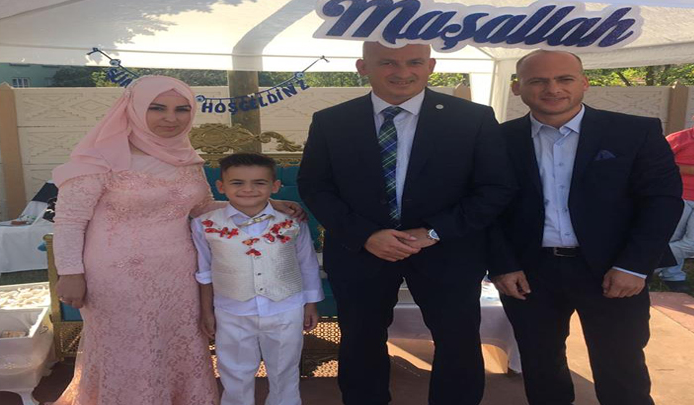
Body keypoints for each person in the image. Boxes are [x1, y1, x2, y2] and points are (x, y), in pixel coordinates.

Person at [51, 76, 303, 405]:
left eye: (182, 109)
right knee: (130, 347)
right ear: (134, 108)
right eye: (158, 108)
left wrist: (264, 204)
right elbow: (69, 220)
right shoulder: (98, 159)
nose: (171, 118)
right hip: (117, 277)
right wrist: (70, 272)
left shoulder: (185, 157)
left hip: (180, 274)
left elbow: (200, 208)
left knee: (178, 343)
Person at [298, 42, 515, 405]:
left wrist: (433, 231)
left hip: (448, 250)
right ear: (362, 66)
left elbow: (495, 188)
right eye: (388, 63)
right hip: (361, 252)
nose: (402, 72)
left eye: (414, 62)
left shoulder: (472, 118)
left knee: (458, 341)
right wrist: (366, 235)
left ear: (431, 65)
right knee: (361, 341)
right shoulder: (331, 121)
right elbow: (315, 186)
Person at [489, 50, 683, 405]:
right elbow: (488, 208)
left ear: (585, 83)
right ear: (517, 87)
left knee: (621, 368)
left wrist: (634, 266)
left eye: (564, 79)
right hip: (530, 273)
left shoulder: (634, 132)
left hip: (614, 270)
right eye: (538, 80)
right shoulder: (497, 139)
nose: (552, 89)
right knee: (540, 366)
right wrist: (502, 264)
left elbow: (662, 201)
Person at [192, 152, 324, 405]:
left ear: (275, 186)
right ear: (221, 186)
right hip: (232, 311)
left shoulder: (293, 222)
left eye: (259, 183)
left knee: (285, 370)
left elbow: (307, 264)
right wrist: (207, 311)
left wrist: (310, 304)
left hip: (286, 308)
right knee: (234, 371)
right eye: (237, 182)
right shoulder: (204, 224)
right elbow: (204, 271)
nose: (248, 189)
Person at [655, 126, 694, 293]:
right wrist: (689, 170)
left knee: (691, 244)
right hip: (679, 194)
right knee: (672, 236)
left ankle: (646, 265)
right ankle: (673, 276)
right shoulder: (680, 138)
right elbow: (657, 162)